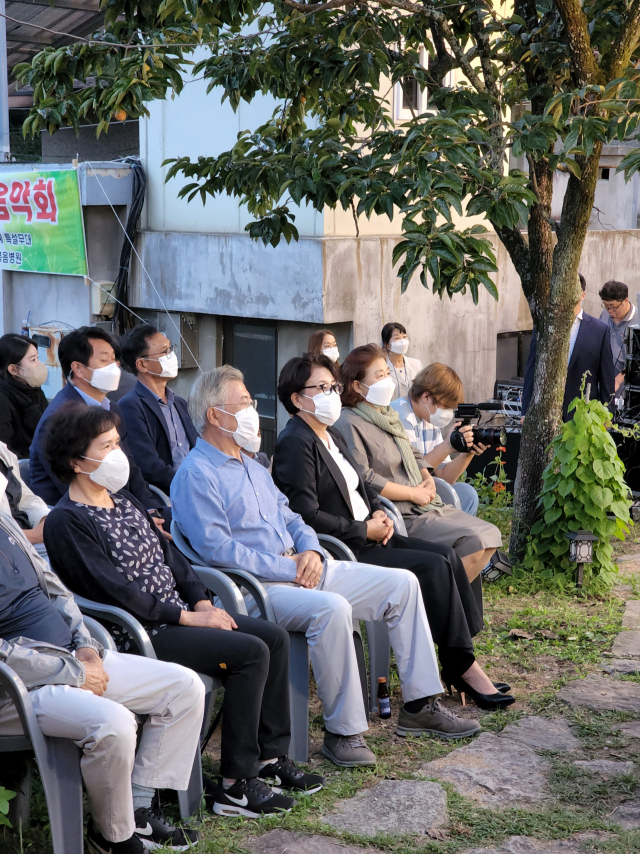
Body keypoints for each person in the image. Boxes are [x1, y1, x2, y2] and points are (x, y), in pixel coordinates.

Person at [171, 366, 482, 769]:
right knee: (332, 608)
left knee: (403, 584)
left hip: (303, 568)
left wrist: (312, 552)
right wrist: (290, 569)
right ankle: (344, 733)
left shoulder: (250, 464)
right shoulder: (197, 473)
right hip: (254, 589)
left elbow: (293, 518)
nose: (252, 410)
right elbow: (219, 551)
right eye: (244, 403)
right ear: (215, 415)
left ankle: (421, 705)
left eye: (250, 401)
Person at [42, 403, 323, 818]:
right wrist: (189, 617)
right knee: (250, 653)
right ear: (76, 461)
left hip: (178, 615)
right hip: (139, 631)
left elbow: (172, 559)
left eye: (118, 443)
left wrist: (202, 600)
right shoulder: (66, 522)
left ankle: (267, 759)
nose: (119, 454)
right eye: (107, 446)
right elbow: (115, 591)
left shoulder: (123, 501)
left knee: (273, 638)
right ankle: (235, 786)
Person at [272, 354, 514, 709]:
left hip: (372, 530)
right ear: (296, 398)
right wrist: (363, 528)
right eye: (321, 388)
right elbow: (305, 515)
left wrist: (378, 514)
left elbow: (359, 487)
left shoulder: (331, 434)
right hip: (346, 546)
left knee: (446, 557)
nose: (331, 394)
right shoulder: (295, 441)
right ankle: (463, 668)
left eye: (332, 387)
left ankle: (459, 661)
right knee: (432, 568)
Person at [0, 507, 205, 854]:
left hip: (72, 658)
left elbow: (54, 590)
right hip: (18, 687)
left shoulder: (3, 519)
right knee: (113, 723)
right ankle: (113, 837)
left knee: (184, 687)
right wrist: (72, 672)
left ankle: (136, 809)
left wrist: (84, 646)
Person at [334, 345, 502, 581]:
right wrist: (413, 493)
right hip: (402, 512)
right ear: (356, 385)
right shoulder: (348, 421)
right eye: (379, 375)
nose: (387, 380)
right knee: (475, 541)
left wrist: (427, 478)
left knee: (490, 535)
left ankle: (450, 603)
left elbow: (414, 455)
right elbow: (365, 478)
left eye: (387, 373)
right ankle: (441, 602)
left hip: (425, 503)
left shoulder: (386, 415)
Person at [28, 327, 168, 533]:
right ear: (78, 368)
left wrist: (150, 510)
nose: (115, 367)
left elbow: (131, 468)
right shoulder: (58, 420)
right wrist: (136, 520)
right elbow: (75, 491)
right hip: (80, 523)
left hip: (122, 509)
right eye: (105, 361)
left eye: (114, 359)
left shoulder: (112, 408)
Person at [391, 363, 484, 516]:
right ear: (426, 397)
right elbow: (411, 472)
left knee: (467, 494)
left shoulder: (429, 418)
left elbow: (445, 477)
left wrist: (469, 451)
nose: (447, 413)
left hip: (428, 489)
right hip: (407, 494)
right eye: (445, 407)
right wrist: (447, 445)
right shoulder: (401, 414)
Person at [522, 275, 616, 421]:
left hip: (583, 415)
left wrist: (607, 415)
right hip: (546, 415)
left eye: (572, 290)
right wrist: (525, 411)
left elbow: (606, 377)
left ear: (582, 295)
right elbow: (532, 369)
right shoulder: (544, 326)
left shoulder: (600, 330)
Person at [118, 324, 197, 493]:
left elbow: (198, 449)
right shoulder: (130, 406)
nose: (171, 356)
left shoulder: (180, 403)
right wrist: (187, 486)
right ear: (142, 365)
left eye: (171, 349)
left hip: (196, 486)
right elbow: (149, 466)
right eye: (165, 351)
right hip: (169, 494)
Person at [0, 333, 48, 458]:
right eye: (33, 360)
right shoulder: (3, 400)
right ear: (13, 369)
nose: (39, 364)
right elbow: (5, 452)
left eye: (37, 358)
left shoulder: (33, 389)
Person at [0, 439, 49, 550]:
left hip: (27, 540)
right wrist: (32, 535)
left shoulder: (3, 451)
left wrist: (45, 520)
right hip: (10, 550)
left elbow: (25, 498)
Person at [598, 279, 637, 393]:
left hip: (627, 388)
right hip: (604, 383)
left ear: (625, 300)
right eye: (606, 306)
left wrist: (618, 381)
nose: (610, 311)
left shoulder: (638, 321)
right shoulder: (604, 315)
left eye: (613, 307)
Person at [381, 322, 423, 401]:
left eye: (404, 337)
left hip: (414, 412)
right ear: (387, 345)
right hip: (391, 412)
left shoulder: (416, 364)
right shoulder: (382, 367)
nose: (402, 341)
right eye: (397, 338)